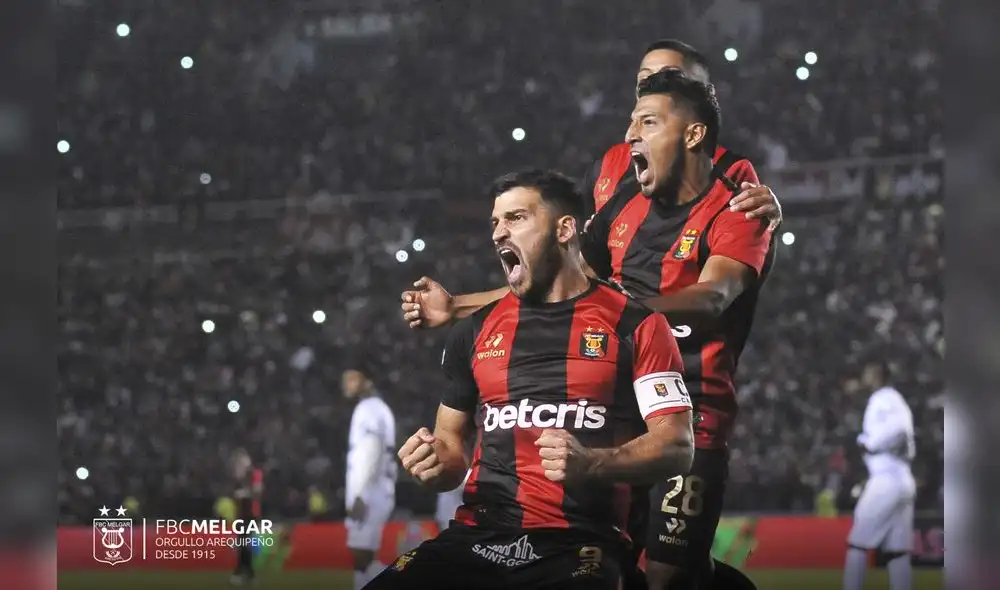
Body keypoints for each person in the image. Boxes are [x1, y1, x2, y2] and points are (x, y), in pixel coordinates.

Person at [401, 68, 772, 590]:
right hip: (607, 421)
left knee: (667, 576)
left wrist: (613, 312)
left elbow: (711, 298)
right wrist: (459, 306)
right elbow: (561, 278)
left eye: (647, 118)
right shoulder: (622, 200)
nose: (629, 134)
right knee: (643, 565)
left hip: (690, 411)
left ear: (693, 132)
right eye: (631, 114)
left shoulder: (740, 200)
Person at [367, 169, 695, 590]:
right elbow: (452, 451)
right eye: (495, 223)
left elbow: (677, 445)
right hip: (478, 538)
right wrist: (434, 464)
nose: (499, 234)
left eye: (516, 218)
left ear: (565, 229)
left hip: (580, 543)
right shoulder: (474, 330)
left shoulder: (637, 325)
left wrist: (593, 463)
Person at [843, 361, 916, 590]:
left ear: (876, 375)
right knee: (897, 552)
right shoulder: (893, 398)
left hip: (887, 480)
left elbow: (900, 428)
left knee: (857, 544)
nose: (864, 378)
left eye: (867, 373)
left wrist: (870, 443)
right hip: (901, 478)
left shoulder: (883, 397)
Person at [343, 364, 398, 590]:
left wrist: (359, 495)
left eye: (353, 379)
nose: (347, 385)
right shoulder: (379, 408)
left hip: (370, 491)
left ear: (368, 380)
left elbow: (371, 450)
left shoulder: (369, 409)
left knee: (361, 555)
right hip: (378, 488)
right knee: (362, 558)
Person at [229, 448, 262, 586]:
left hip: (249, 511)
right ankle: (247, 572)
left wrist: (243, 494)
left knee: (244, 541)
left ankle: (241, 572)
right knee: (244, 542)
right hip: (244, 511)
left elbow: (257, 493)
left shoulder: (254, 475)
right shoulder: (245, 479)